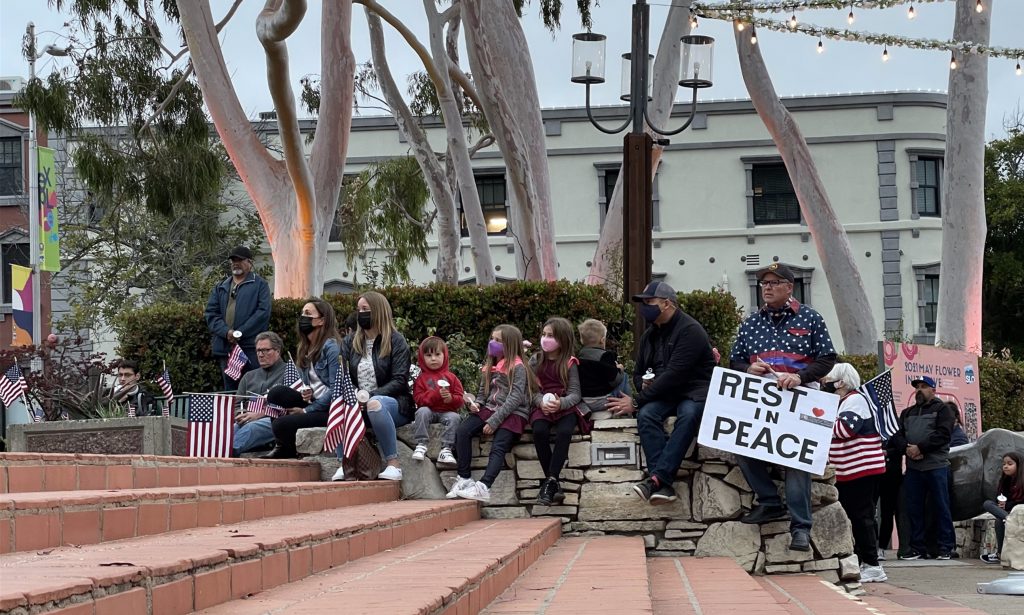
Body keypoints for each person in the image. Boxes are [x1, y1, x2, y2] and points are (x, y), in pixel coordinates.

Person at [729, 263, 837, 552]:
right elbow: (735, 361)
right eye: (764, 282)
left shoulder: (811, 318)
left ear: (790, 287)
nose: (767, 287)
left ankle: (800, 528)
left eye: (775, 282)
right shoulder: (750, 323)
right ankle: (769, 502)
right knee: (740, 445)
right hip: (762, 400)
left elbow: (827, 359)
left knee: (797, 461)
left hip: (801, 399)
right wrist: (748, 368)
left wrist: (799, 376)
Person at [606, 281, 716, 507]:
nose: (644, 307)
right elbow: (637, 372)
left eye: (649, 302)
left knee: (688, 415)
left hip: (694, 391)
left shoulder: (690, 330)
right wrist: (642, 385)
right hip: (665, 393)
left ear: (667, 304)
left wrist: (635, 401)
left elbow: (675, 374)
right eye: (643, 303)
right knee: (646, 415)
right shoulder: (649, 335)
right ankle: (662, 484)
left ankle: (656, 478)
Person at [449, 325, 536, 502]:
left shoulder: (518, 367)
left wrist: (494, 421)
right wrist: (476, 404)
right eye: (492, 338)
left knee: (498, 447)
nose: (492, 343)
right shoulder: (490, 365)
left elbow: (516, 397)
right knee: (463, 430)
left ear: (509, 345)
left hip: (514, 413)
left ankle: (483, 487)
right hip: (491, 408)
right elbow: (483, 393)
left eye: (498, 340)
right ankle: (464, 478)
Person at [823, 363, 887, 583]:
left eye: (829, 379)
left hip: (862, 468)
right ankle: (864, 559)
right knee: (857, 516)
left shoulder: (855, 401)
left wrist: (818, 421)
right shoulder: (845, 402)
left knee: (862, 516)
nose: (826, 383)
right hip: (852, 469)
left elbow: (844, 430)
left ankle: (872, 564)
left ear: (840, 382)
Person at [340, 291, 413, 481]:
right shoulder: (350, 341)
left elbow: (399, 380)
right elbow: (344, 377)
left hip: (394, 403)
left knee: (375, 404)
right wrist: (354, 395)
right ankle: (344, 463)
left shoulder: (396, 341)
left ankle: (393, 464)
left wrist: (369, 395)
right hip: (358, 401)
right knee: (339, 405)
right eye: (358, 310)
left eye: (365, 309)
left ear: (379, 312)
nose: (360, 314)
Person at [260, 299, 340, 459]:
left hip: (331, 410)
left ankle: (286, 448)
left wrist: (305, 410)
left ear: (322, 321)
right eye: (303, 313)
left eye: (308, 314)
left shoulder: (332, 348)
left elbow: (336, 389)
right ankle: (282, 445)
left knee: (281, 425)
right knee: (275, 394)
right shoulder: (304, 348)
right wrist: (308, 393)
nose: (303, 318)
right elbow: (312, 385)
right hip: (315, 402)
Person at [888, 375, 957, 560]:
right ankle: (918, 548)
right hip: (913, 469)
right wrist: (907, 449)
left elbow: (943, 435)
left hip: (936, 466)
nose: (919, 390)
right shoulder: (907, 413)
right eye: (917, 386)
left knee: (941, 507)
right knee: (914, 509)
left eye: (924, 386)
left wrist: (921, 448)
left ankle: (945, 547)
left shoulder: (943, 410)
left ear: (933, 390)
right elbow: (897, 435)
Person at [530, 317, 588, 506]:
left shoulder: (570, 363)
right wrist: (540, 402)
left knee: (564, 432)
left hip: (564, 408)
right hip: (542, 406)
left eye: (551, 336)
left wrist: (560, 403)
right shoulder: (535, 360)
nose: (545, 339)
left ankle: (550, 481)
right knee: (539, 431)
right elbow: (530, 390)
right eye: (544, 334)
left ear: (562, 339)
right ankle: (553, 483)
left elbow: (575, 393)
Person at [204, 246, 272, 390]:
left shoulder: (260, 285)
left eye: (240, 260)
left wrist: (240, 332)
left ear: (250, 262)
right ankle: (234, 413)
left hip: (250, 348)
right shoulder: (220, 286)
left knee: (253, 389)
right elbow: (211, 313)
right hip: (226, 348)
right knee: (231, 391)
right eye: (233, 260)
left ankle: (251, 413)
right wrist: (226, 332)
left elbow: (262, 313)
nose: (236, 263)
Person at [411, 336, 464, 468]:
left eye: (437, 354)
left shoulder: (452, 378)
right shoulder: (421, 379)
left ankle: (446, 449)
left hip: (446, 412)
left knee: (455, 417)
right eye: (429, 355)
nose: (433, 358)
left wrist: (451, 399)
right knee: (421, 412)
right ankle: (421, 444)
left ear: (444, 355)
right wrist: (435, 395)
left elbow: (460, 399)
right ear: (423, 358)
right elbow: (418, 399)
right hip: (429, 410)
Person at [232, 332, 287, 456]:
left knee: (251, 429)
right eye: (258, 351)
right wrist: (241, 414)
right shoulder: (248, 376)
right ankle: (216, 453)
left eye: (265, 350)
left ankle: (226, 453)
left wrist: (260, 414)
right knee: (230, 430)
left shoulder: (290, 372)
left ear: (277, 351)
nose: (261, 355)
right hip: (247, 419)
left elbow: (291, 406)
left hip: (276, 420)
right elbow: (237, 404)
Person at [576, 318, 628, 413]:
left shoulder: (579, 356)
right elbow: (614, 381)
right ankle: (625, 408)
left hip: (584, 400)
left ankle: (586, 411)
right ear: (602, 340)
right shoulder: (606, 356)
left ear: (581, 340)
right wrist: (619, 370)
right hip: (603, 401)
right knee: (624, 376)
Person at [981, 452, 1023, 564]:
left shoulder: (1022, 480)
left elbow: (1020, 502)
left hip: (1020, 512)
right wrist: (1001, 504)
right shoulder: (1005, 480)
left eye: (1010, 464)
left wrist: (1007, 505)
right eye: (1004, 463)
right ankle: (1000, 554)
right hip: (1009, 513)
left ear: (1018, 465)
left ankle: (1008, 520)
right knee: (989, 505)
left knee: (1000, 520)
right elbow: (1000, 497)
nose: (1005, 466)